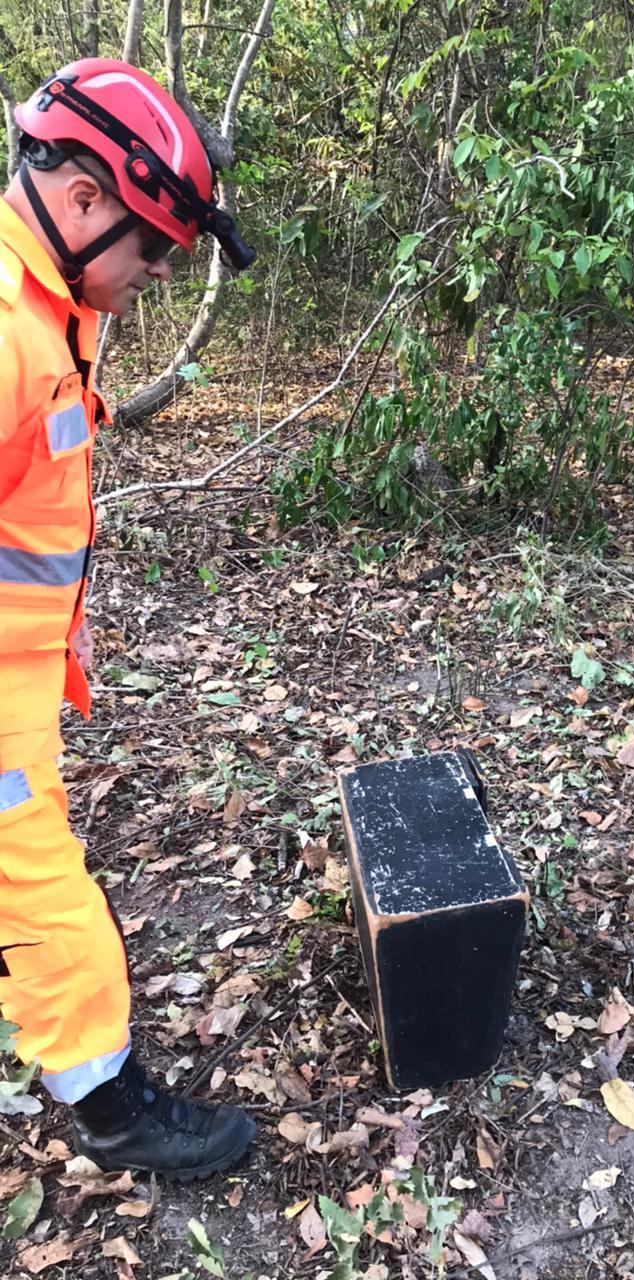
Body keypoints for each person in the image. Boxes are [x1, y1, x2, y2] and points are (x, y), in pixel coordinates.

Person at [0, 58, 257, 1180]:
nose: (154, 270)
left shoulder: (54, 307)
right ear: (85, 197)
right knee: (47, 890)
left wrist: (70, 620)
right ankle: (109, 1103)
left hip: (20, 666)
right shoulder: (8, 330)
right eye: (150, 245)